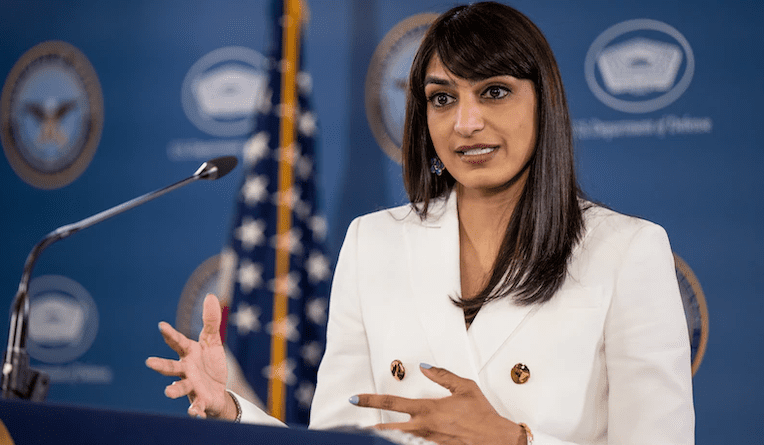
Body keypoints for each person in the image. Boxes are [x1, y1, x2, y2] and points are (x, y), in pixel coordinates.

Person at [146, 2, 695, 444]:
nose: (466, 122)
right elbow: (336, 438)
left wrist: (515, 441)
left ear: (544, 103)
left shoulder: (628, 252)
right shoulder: (373, 242)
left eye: (494, 91)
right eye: (442, 98)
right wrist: (234, 411)